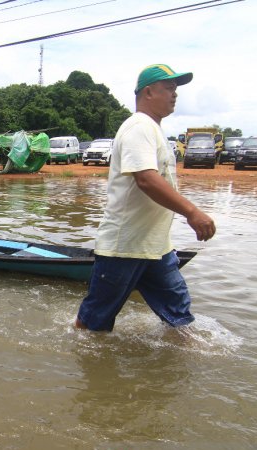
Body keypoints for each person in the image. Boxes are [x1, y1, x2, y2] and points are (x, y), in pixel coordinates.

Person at [75, 64, 216, 332]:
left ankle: (181, 365)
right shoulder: (138, 127)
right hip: (125, 245)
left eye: (176, 90)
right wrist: (192, 212)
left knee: (179, 316)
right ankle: (82, 364)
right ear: (149, 92)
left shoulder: (152, 129)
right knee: (95, 322)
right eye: (169, 89)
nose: (175, 95)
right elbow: (146, 179)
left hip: (155, 245)